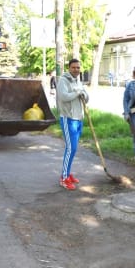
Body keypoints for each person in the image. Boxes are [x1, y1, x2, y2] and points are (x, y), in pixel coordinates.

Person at [56, 59, 89, 190]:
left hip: (78, 118)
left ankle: (68, 173)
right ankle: (63, 178)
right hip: (68, 118)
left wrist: (84, 94)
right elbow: (64, 96)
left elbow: (86, 97)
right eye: (74, 67)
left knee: (73, 149)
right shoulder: (63, 81)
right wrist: (78, 92)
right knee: (70, 148)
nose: (76, 69)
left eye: (78, 67)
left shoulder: (78, 81)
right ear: (69, 68)